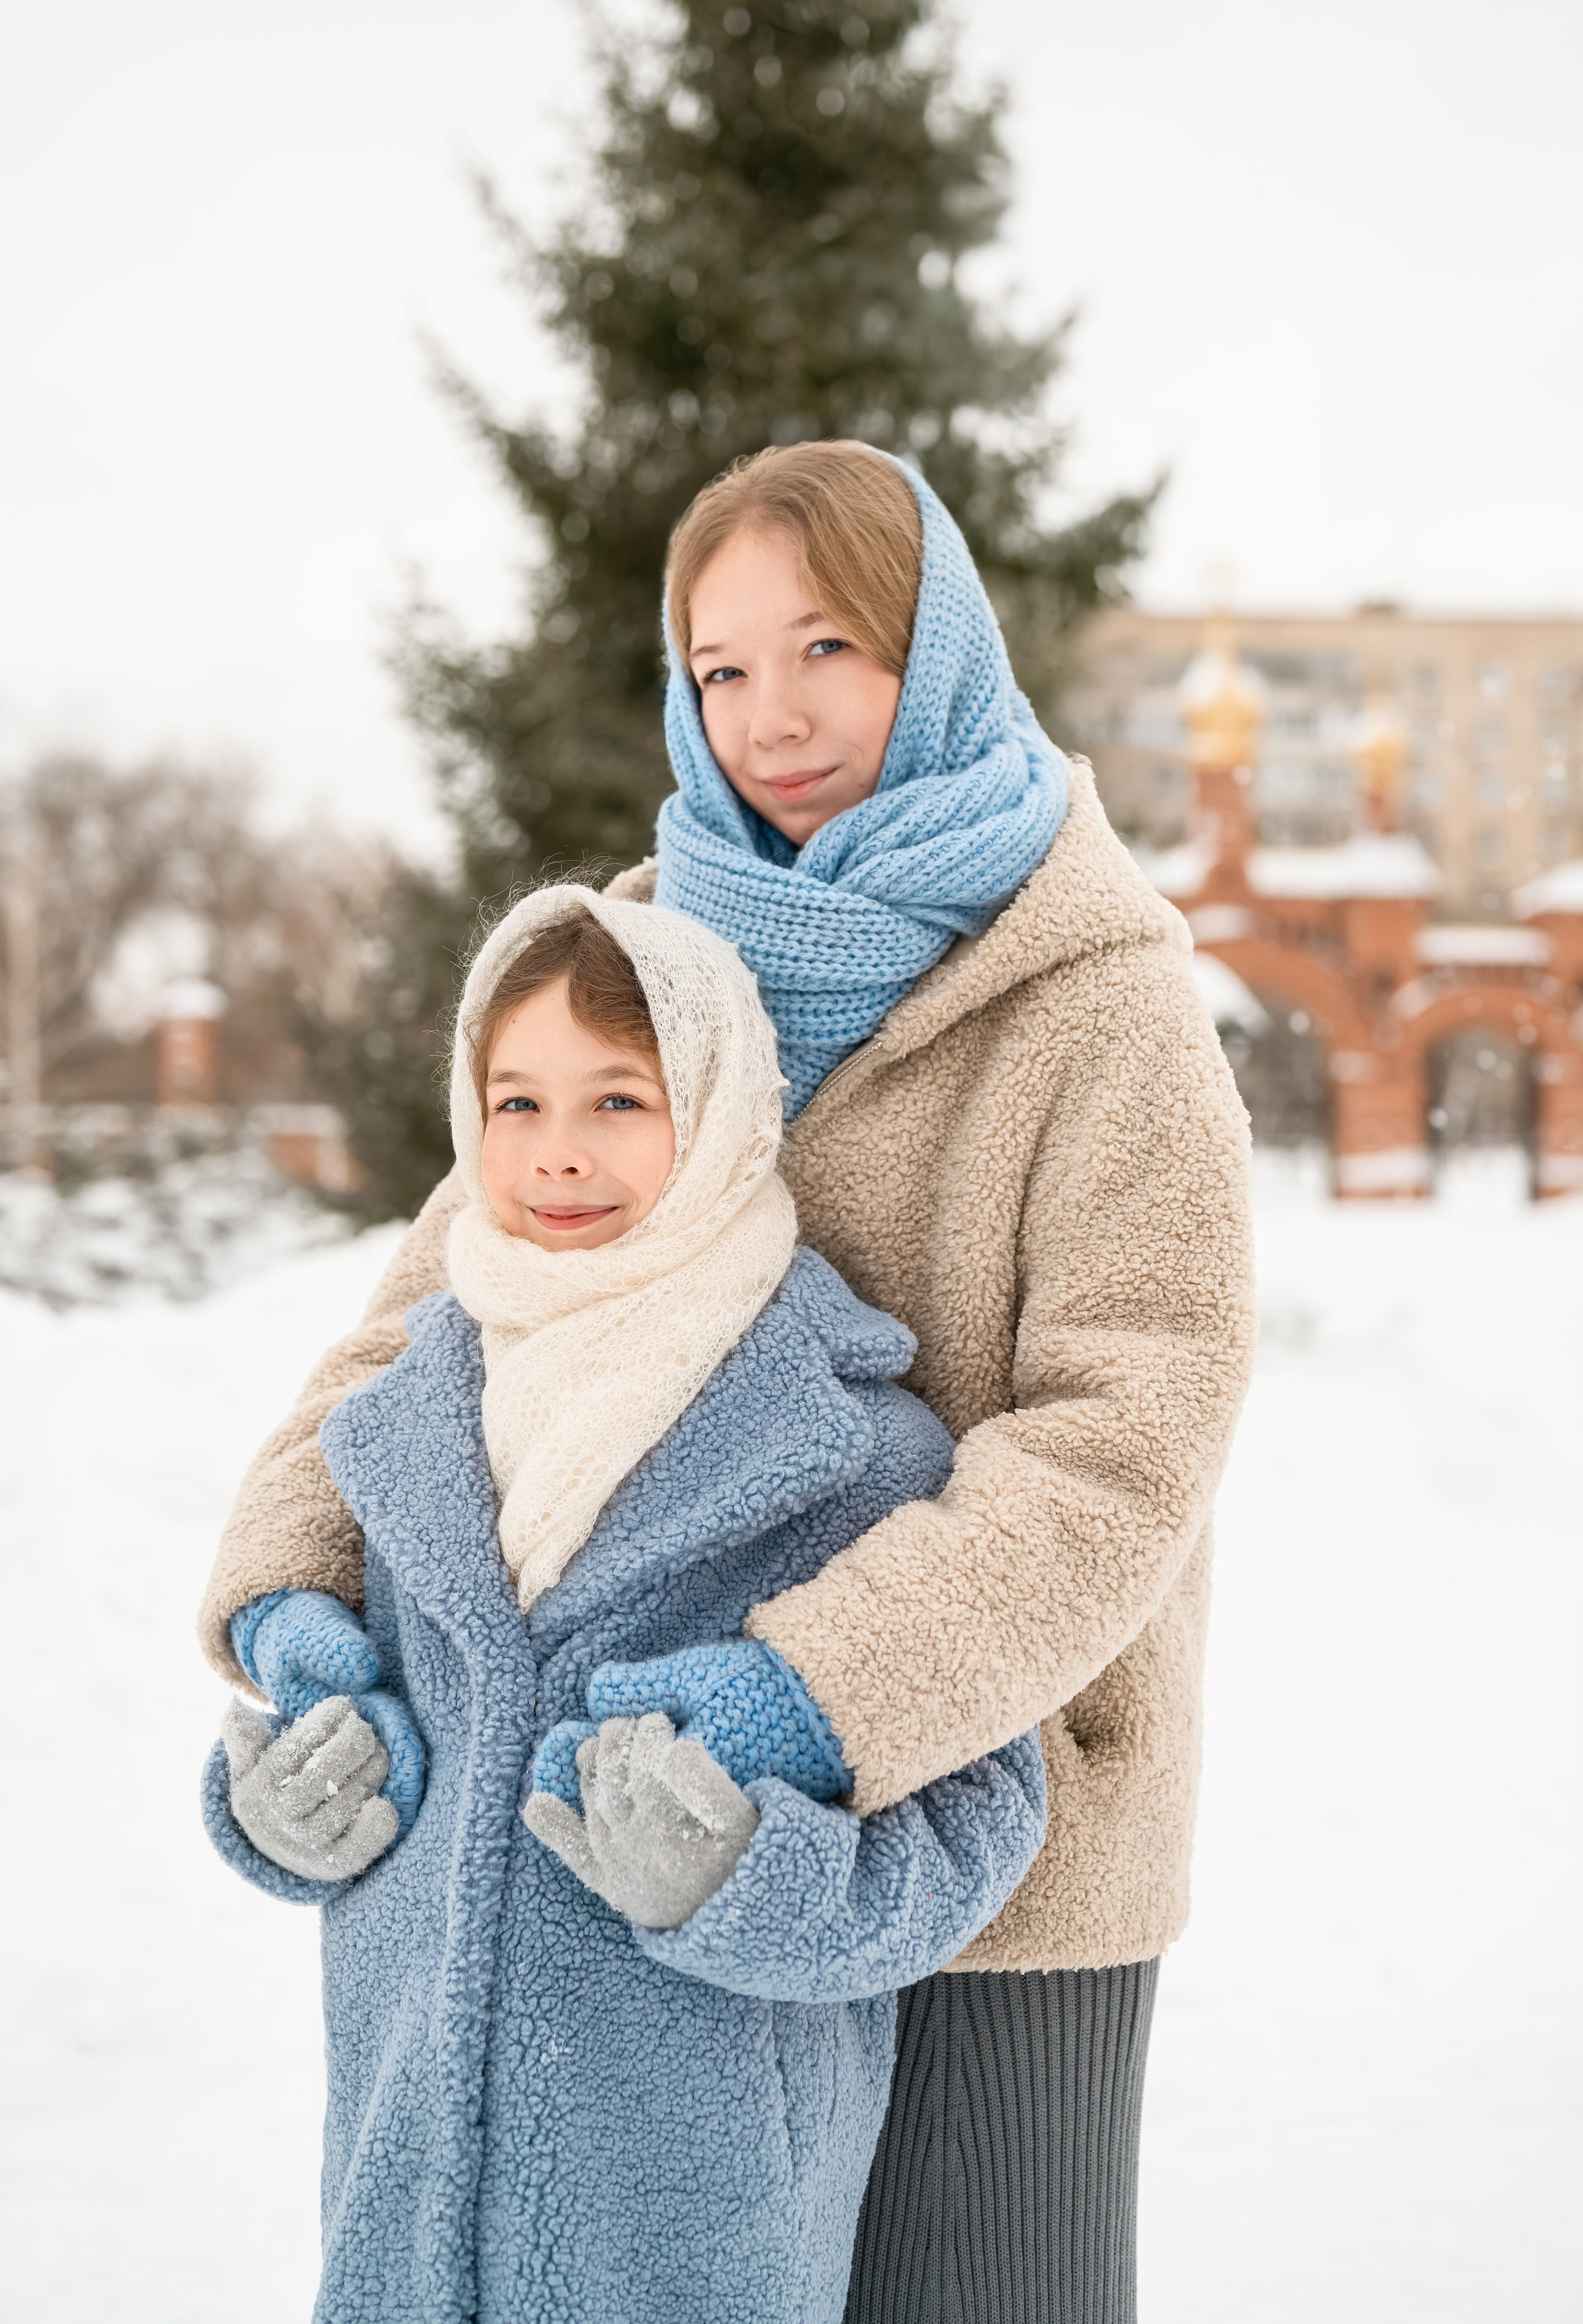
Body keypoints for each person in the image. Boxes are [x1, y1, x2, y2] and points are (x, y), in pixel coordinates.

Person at [199, 441, 1255, 2323]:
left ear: (930, 655)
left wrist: (802, 1702)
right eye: (719, 668)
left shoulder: (1100, 992)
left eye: (826, 648)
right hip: (626, 1832)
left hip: (990, 1833)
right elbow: (434, 1303)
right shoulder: (647, 945)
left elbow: (1126, 1440)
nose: (769, 717)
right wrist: (293, 1613)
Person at [203, 887, 1047, 2324]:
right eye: (515, 1100)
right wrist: (279, 1814)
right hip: (407, 2189)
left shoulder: (848, 1445)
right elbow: (358, 1745)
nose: (558, 1152)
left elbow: (982, 1818)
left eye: (617, 1098)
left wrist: (746, 1881)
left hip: (697, 2210)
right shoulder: (411, 1414)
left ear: (717, 1112)